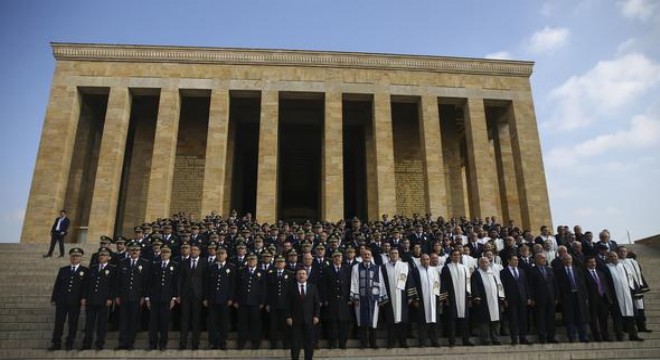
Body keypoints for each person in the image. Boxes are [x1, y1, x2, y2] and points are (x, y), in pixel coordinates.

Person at [48, 247, 88, 351]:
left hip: (75, 301)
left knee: (72, 323)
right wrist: (54, 298)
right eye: (73, 256)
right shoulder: (63, 270)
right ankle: (56, 343)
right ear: (70, 257)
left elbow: (85, 287)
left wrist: (84, 297)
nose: (75, 257)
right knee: (59, 323)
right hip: (62, 300)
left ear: (81, 258)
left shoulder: (85, 271)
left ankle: (69, 343)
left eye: (78, 256)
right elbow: (57, 285)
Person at [350, 248, 388, 349]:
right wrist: (355, 297)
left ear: (371, 256)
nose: (367, 256)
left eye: (369, 255)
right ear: (361, 256)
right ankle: (363, 343)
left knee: (373, 321)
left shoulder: (376, 268)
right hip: (361, 299)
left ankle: (373, 343)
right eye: (365, 255)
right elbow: (354, 282)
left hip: (373, 298)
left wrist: (381, 297)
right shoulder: (356, 267)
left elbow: (381, 283)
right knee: (362, 321)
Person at [115, 241, 150, 350]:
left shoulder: (144, 263)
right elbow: (118, 281)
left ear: (140, 252)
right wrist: (117, 295)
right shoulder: (123, 262)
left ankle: (130, 343)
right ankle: (122, 342)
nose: (134, 252)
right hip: (124, 296)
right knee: (123, 320)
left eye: (137, 250)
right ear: (129, 251)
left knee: (133, 320)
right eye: (132, 250)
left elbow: (146, 281)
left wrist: (144, 296)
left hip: (137, 297)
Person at [81, 247, 116, 350]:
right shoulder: (92, 268)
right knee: (89, 323)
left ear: (109, 257)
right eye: (100, 255)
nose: (102, 257)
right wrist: (84, 297)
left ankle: (99, 343)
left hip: (104, 300)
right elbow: (86, 284)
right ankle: (86, 344)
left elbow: (113, 286)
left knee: (102, 323)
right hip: (91, 299)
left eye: (104, 255)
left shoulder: (112, 269)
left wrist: (110, 298)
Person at [146, 246, 179, 350]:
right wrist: (147, 298)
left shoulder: (175, 265)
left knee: (164, 322)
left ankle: (163, 344)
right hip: (155, 298)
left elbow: (175, 283)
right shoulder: (155, 265)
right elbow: (149, 282)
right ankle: (152, 344)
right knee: (153, 323)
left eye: (167, 252)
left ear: (170, 254)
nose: (164, 254)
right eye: (163, 252)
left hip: (167, 298)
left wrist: (173, 298)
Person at [604, 251, 643, 341]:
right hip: (615, 296)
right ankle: (619, 336)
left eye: (615, 256)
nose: (613, 258)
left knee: (631, 317)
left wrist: (635, 292)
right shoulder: (606, 268)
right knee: (617, 317)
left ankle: (633, 335)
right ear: (608, 258)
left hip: (628, 295)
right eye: (611, 256)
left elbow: (631, 279)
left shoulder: (624, 267)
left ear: (617, 257)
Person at [381, 247, 415, 348]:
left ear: (398, 255)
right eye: (392, 253)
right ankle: (391, 342)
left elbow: (410, 281)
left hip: (402, 297)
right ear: (389, 255)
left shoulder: (404, 266)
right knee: (391, 321)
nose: (394, 255)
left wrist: (410, 296)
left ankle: (403, 342)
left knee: (403, 321)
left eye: (396, 253)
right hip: (389, 298)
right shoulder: (384, 267)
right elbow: (382, 283)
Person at [286, 267, 321, 360]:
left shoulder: (313, 287)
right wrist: (288, 316)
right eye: (299, 274)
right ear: (296, 276)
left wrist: (316, 316)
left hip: (309, 319)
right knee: (295, 343)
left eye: (303, 274)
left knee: (309, 343)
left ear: (307, 276)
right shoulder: (291, 287)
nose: (301, 275)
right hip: (295, 319)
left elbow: (317, 303)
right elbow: (287, 304)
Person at [205, 247, 236, 350]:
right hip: (213, 299)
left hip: (225, 300)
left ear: (226, 255)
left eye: (222, 253)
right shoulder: (212, 267)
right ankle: (213, 342)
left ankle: (223, 342)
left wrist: (231, 298)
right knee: (212, 322)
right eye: (218, 253)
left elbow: (233, 285)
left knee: (224, 322)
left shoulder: (231, 267)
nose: (220, 255)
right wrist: (206, 298)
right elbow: (207, 284)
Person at [441, 249, 473, 346]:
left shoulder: (465, 268)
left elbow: (468, 283)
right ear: (451, 257)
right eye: (454, 255)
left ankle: (466, 340)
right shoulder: (446, 268)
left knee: (465, 319)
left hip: (463, 297)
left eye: (458, 255)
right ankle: (452, 340)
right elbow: (444, 284)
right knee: (451, 320)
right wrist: (445, 298)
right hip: (451, 297)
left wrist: (469, 297)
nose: (456, 256)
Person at [179, 244, 208, 350]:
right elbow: (180, 280)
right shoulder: (184, 262)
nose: (193, 251)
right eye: (192, 250)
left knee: (196, 320)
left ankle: (195, 344)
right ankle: (183, 343)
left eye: (195, 250)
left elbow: (206, 281)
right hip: (186, 295)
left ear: (199, 252)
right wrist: (178, 295)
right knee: (184, 319)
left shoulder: (204, 263)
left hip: (198, 296)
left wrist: (205, 297)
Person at [554, 254, 589, 343]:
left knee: (581, 317)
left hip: (579, 296)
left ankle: (583, 336)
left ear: (572, 260)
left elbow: (583, 284)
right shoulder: (558, 271)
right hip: (567, 298)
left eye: (569, 259)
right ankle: (572, 337)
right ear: (562, 261)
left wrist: (585, 296)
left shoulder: (577, 270)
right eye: (565, 259)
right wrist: (559, 298)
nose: (568, 260)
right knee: (569, 318)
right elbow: (557, 286)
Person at [235, 253, 266, 350]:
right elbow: (237, 287)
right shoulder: (241, 271)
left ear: (257, 261)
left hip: (256, 303)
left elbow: (264, 289)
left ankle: (255, 342)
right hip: (243, 302)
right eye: (249, 259)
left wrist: (262, 302)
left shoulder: (262, 272)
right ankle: (241, 342)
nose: (251, 261)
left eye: (253, 259)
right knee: (242, 323)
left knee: (255, 323)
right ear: (247, 261)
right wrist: (236, 300)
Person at [471, 257, 504, 345]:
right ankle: (486, 339)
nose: (484, 264)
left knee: (496, 320)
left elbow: (499, 284)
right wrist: (476, 296)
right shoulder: (476, 273)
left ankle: (496, 339)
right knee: (484, 321)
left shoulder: (493, 273)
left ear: (489, 263)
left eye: (486, 262)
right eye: (482, 262)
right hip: (483, 300)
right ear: (479, 264)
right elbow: (474, 286)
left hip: (495, 300)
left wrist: (501, 295)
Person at [323, 250, 352, 349]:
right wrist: (326, 299)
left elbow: (350, 285)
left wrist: (350, 298)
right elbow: (325, 286)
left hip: (344, 301)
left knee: (344, 324)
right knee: (332, 324)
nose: (337, 258)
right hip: (332, 301)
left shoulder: (347, 269)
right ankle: (332, 343)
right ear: (332, 259)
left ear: (342, 258)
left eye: (339, 257)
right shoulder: (327, 269)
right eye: (335, 257)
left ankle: (342, 343)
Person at [412, 253, 443, 347]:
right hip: (421, 300)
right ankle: (422, 342)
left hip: (433, 299)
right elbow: (413, 285)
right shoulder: (415, 271)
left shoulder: (434, 271)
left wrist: (439, 298)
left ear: (430, 260)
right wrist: (415, 299)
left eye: (427, 259)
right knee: (422, 322)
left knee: (434, 321)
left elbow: (438, 284)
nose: (426, 261)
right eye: (424, 259)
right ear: (420, 261)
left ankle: (434, 341)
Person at [500, 256, 532, 345]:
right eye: (514, 260)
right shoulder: (503, 272)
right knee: (513, 320)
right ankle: (514, 339)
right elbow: (503, 286)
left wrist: (528, 297)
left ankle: (523, 338)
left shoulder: (521, 271)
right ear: (509, 260)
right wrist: (504, 299)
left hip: (522, 299)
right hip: (511, 299)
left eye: (517, 260)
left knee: (523, 319)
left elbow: (526, 284)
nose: (516, 261)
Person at [528, 253, 558, 344]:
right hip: (538, 299)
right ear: (536, 259)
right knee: (541, 319)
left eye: (544, 258)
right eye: (542, 258)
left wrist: (556, 296)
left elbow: (555, 284)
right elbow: (530, 286)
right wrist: (532, 298)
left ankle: (551, 337)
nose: (544, 259)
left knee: (551, 318)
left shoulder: (550, 270)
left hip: (551, 298)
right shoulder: (532, 271)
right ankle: (542, 337)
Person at [265, 255, 294, 349]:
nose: (280, 263)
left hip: (286, 305)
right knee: (273, 325)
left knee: (285, 326)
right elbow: (268, 290)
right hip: (274, 304)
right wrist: (268, 303)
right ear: (275, 263)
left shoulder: (290, 274)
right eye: (278, 262)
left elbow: (291, 291)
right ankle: (273, 344)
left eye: (281, 262)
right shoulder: (270, 274)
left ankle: (286, 344)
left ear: (285, 264)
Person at [584, 256, 612, 342]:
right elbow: (584, 287)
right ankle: (597, 336)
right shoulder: (583, 274)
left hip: (603, 298)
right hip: (592, 299)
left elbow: (606, 286)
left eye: (594, 262)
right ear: (586, 264)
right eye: (591, 262)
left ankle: (605, 335)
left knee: (603, 318)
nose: (593, 264)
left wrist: (608, 298)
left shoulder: (600, 273)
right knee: (593, 319)